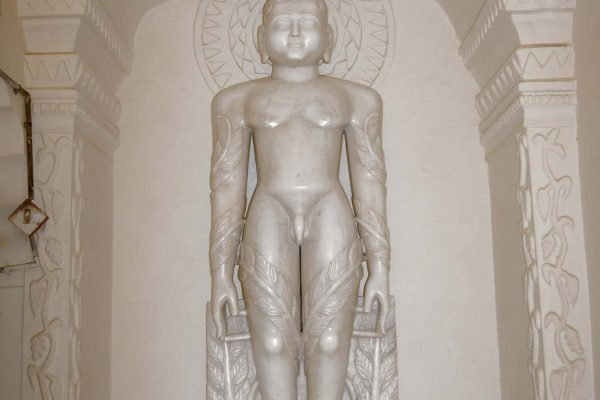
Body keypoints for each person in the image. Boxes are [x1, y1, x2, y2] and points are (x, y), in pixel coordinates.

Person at [208, 0, 390, 398]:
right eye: (281, 24)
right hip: (269, 209)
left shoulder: (358, 99)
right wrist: (220, 274)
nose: (294, 32)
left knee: (330, 343)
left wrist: (380, 267)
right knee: (273, 344)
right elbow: (226, 184)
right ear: (261, 38)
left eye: (306, 22)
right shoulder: (235, 102)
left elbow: (370, 179)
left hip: (330, 208)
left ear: (329, 38)